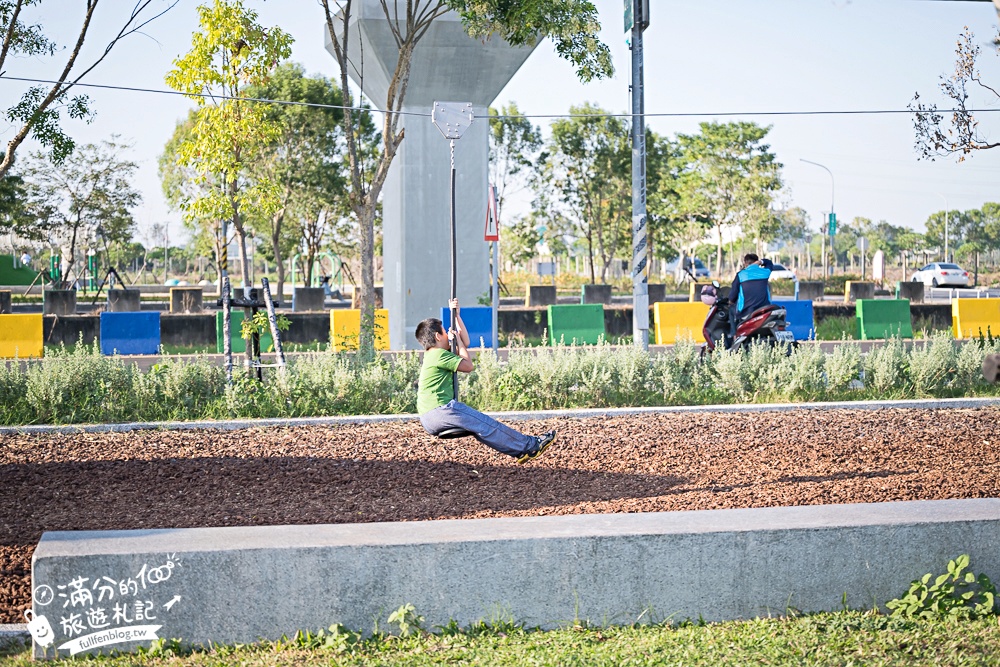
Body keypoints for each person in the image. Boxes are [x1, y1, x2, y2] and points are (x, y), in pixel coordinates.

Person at [415, 298, 556, 463]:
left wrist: (457, 317)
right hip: (441, 410)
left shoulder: (433, 353)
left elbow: (465, 342)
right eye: (445, 331)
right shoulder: (439, 355)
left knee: (482, 429)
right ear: (438, 336)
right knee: (486, 424)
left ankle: (521, 450)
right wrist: (458, 341)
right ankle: (530, 445)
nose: (448, 333)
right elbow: (468, 366)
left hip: (430, 416)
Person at [729, 253, 774, 337]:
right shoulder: (765, 272)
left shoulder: (741, 275)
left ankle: (734, 335)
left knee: (731, 310)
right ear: (756, 262)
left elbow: (733, 295)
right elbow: (769, 263)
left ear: (745, 263)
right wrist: (760, 262)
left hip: (747, 312)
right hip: (765, 309)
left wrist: (730, 301)